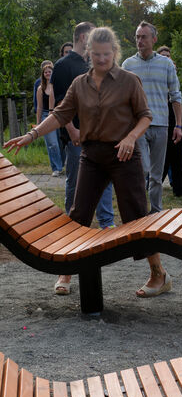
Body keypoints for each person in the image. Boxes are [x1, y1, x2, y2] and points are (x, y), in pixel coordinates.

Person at [5, 27, 172, 299]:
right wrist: (32, 134)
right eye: (96, 54)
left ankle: (159, 274)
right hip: (92, 154)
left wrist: (131, 137)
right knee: (79, 213)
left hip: (124, 153)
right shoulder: (80, 84)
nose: (101, 59)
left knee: (136, 215)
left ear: (114, 53)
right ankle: (67, 270)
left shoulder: (129, 80)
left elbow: (145, 116)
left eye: (106, 54)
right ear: (88, 54)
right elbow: (60, 115)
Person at [50, 21, 115, 295]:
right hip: (79, 140)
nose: (97, 53)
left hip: (107, 144)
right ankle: (70, 236)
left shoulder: (110, 74)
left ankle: (107, 222)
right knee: (77, 192)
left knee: (110, 188)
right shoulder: (66, 67)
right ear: (83, 38)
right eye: (92, 45)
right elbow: (59, 106)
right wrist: (72, 129)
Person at [122, 22, 182, 213]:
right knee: (143, 170)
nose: (140, 40)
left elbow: (176, 95)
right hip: (137, 126)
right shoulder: (128, 64)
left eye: (144, 37)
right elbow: (121, 97)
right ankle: (139, 209)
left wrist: (179, 125)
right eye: (137, 37)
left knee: (156, 175)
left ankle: (156, 211)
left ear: (154, 39)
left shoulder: (165, 64)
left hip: (162, 124)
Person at [157, 46, 182, 198]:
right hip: (161, 122)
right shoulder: (157, 78)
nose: (167, 58)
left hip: (176, 122)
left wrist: (181, 128)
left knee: (177, 158)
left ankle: (179, 190)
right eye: (163, 56)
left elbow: (178, 102)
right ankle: (151, 186)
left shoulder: (173, 75)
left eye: (168, 56)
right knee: (162, 160)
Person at [35, 62, 63, 177]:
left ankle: (63, 164)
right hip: (46, 116)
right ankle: (57, 168)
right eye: (45, 72)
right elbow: (39, 107)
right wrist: (38, 123)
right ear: (43, 74)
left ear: (53, 73)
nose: (47, 73)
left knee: (62, 143)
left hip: (59, 115)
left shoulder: (58, 85)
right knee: (52, 144)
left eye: (49, 72)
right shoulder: (41, 88)